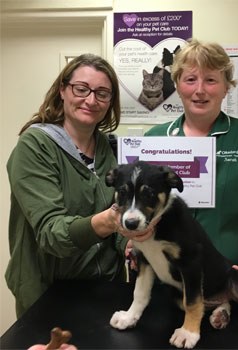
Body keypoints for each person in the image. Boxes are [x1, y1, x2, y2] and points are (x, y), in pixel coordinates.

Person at [145, 39, 238, 306]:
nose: (200, 90)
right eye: (190, 79)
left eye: (211, 80)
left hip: (230, 283)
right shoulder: (154, 139)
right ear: (178, 85)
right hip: (166, 284)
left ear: (227, 87)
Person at [5, 53, 155, 318]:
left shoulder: (110, 149)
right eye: (81, 89)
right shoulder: (34, 147)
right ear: (62, 90)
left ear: (110, 102)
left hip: (107, 290)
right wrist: (108, 221)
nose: (91, 100)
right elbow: (52, 233)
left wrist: (128, 242)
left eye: (102, 93)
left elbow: (117, 215)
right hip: (50, 297)